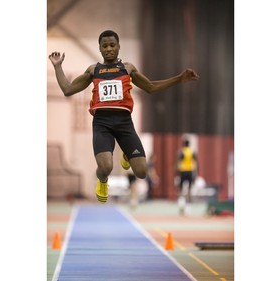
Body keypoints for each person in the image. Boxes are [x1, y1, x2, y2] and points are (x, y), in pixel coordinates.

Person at [49, 30, 199, 203]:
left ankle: (127, 153)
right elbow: (68, 90)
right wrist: (58, 67)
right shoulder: (93, 70)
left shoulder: (127, 68)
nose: (109, 49)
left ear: (119, 47)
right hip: (102, 123)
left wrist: (179, 78)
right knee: (105, 167)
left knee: (142, 172)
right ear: (99, 48)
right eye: (104, 46)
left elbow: (150, 87)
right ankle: (102, 180)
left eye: (112, 45)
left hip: (124, 123)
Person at [175, 139, 199, 215]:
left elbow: (177, 163)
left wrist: (176, 174)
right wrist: (196, 174)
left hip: (182, 172)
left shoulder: (181, 152)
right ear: (189, 144)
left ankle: (180, 206)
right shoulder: (193, 152)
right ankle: (188, 208)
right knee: (189, 190)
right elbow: (196, 163)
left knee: (181, 190)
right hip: (190, 172)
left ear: (184, 144)